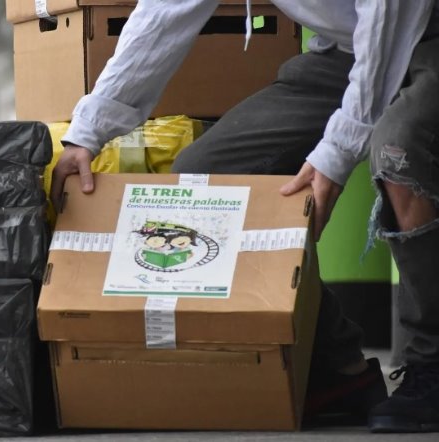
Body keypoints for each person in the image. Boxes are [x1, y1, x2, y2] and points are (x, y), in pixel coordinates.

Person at [51, 0, 439, 433]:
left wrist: (337, 151)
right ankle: (338, 368)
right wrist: (86, 134)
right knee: (207, 175)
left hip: (426, 36)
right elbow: (163, 12)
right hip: (349, 53)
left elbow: (391, 22)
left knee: (398, 150)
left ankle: (431, 361)